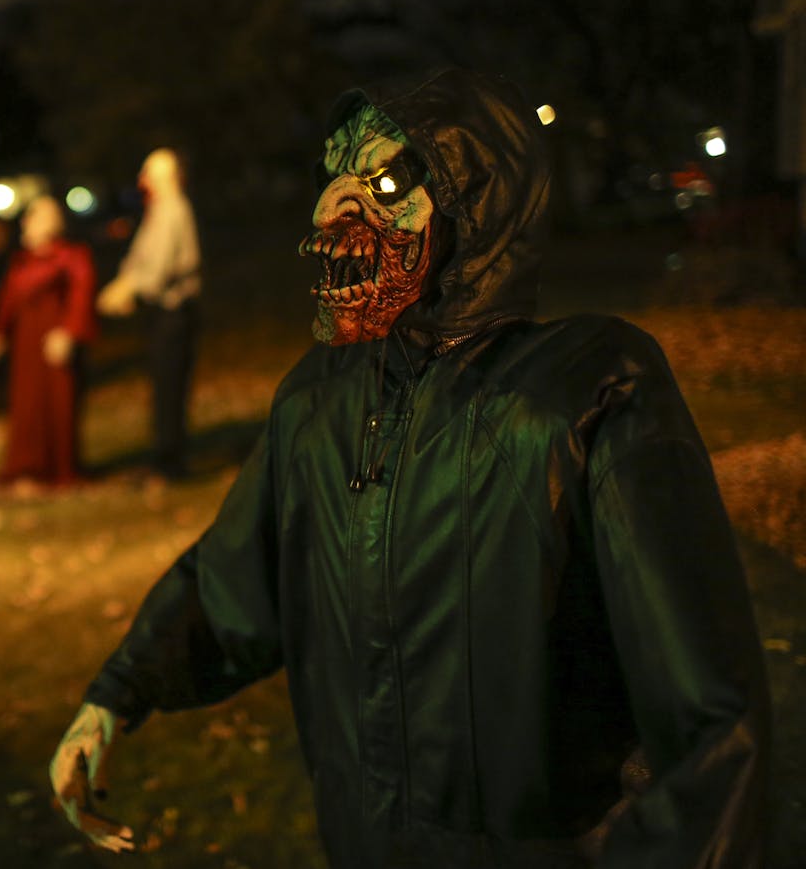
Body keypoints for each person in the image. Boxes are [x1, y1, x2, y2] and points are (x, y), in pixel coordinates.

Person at [49, 68, 770, 867]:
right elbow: (236, 576)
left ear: (476, 199)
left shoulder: (582, 391)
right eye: (338, 174)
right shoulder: (319, 402)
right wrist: (118, 692)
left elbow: (712, 721)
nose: (338, 206)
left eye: (388, 180)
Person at [96, 147, 201, 480]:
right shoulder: (159, 210)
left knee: (170, 384)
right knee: (162, 381)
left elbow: (158, 267)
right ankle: (165, 454)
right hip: (162, 311)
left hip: (173, 311)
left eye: (147, 173)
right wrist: (125, 282)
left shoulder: (172, 210)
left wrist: (130, 289)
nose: (141, 180)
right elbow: (140, 257)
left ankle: (170, 461)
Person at [0, 195, 97, 487]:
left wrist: (70, 332)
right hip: (27, 344)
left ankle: (55, 465)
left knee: (55, 401)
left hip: (53, 343)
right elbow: (10, 298)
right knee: (27, 403)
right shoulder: (23, 261)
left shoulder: (70, 256)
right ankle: (27, 464)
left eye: (33, 216)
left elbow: (81, 296)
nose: (25, 223)